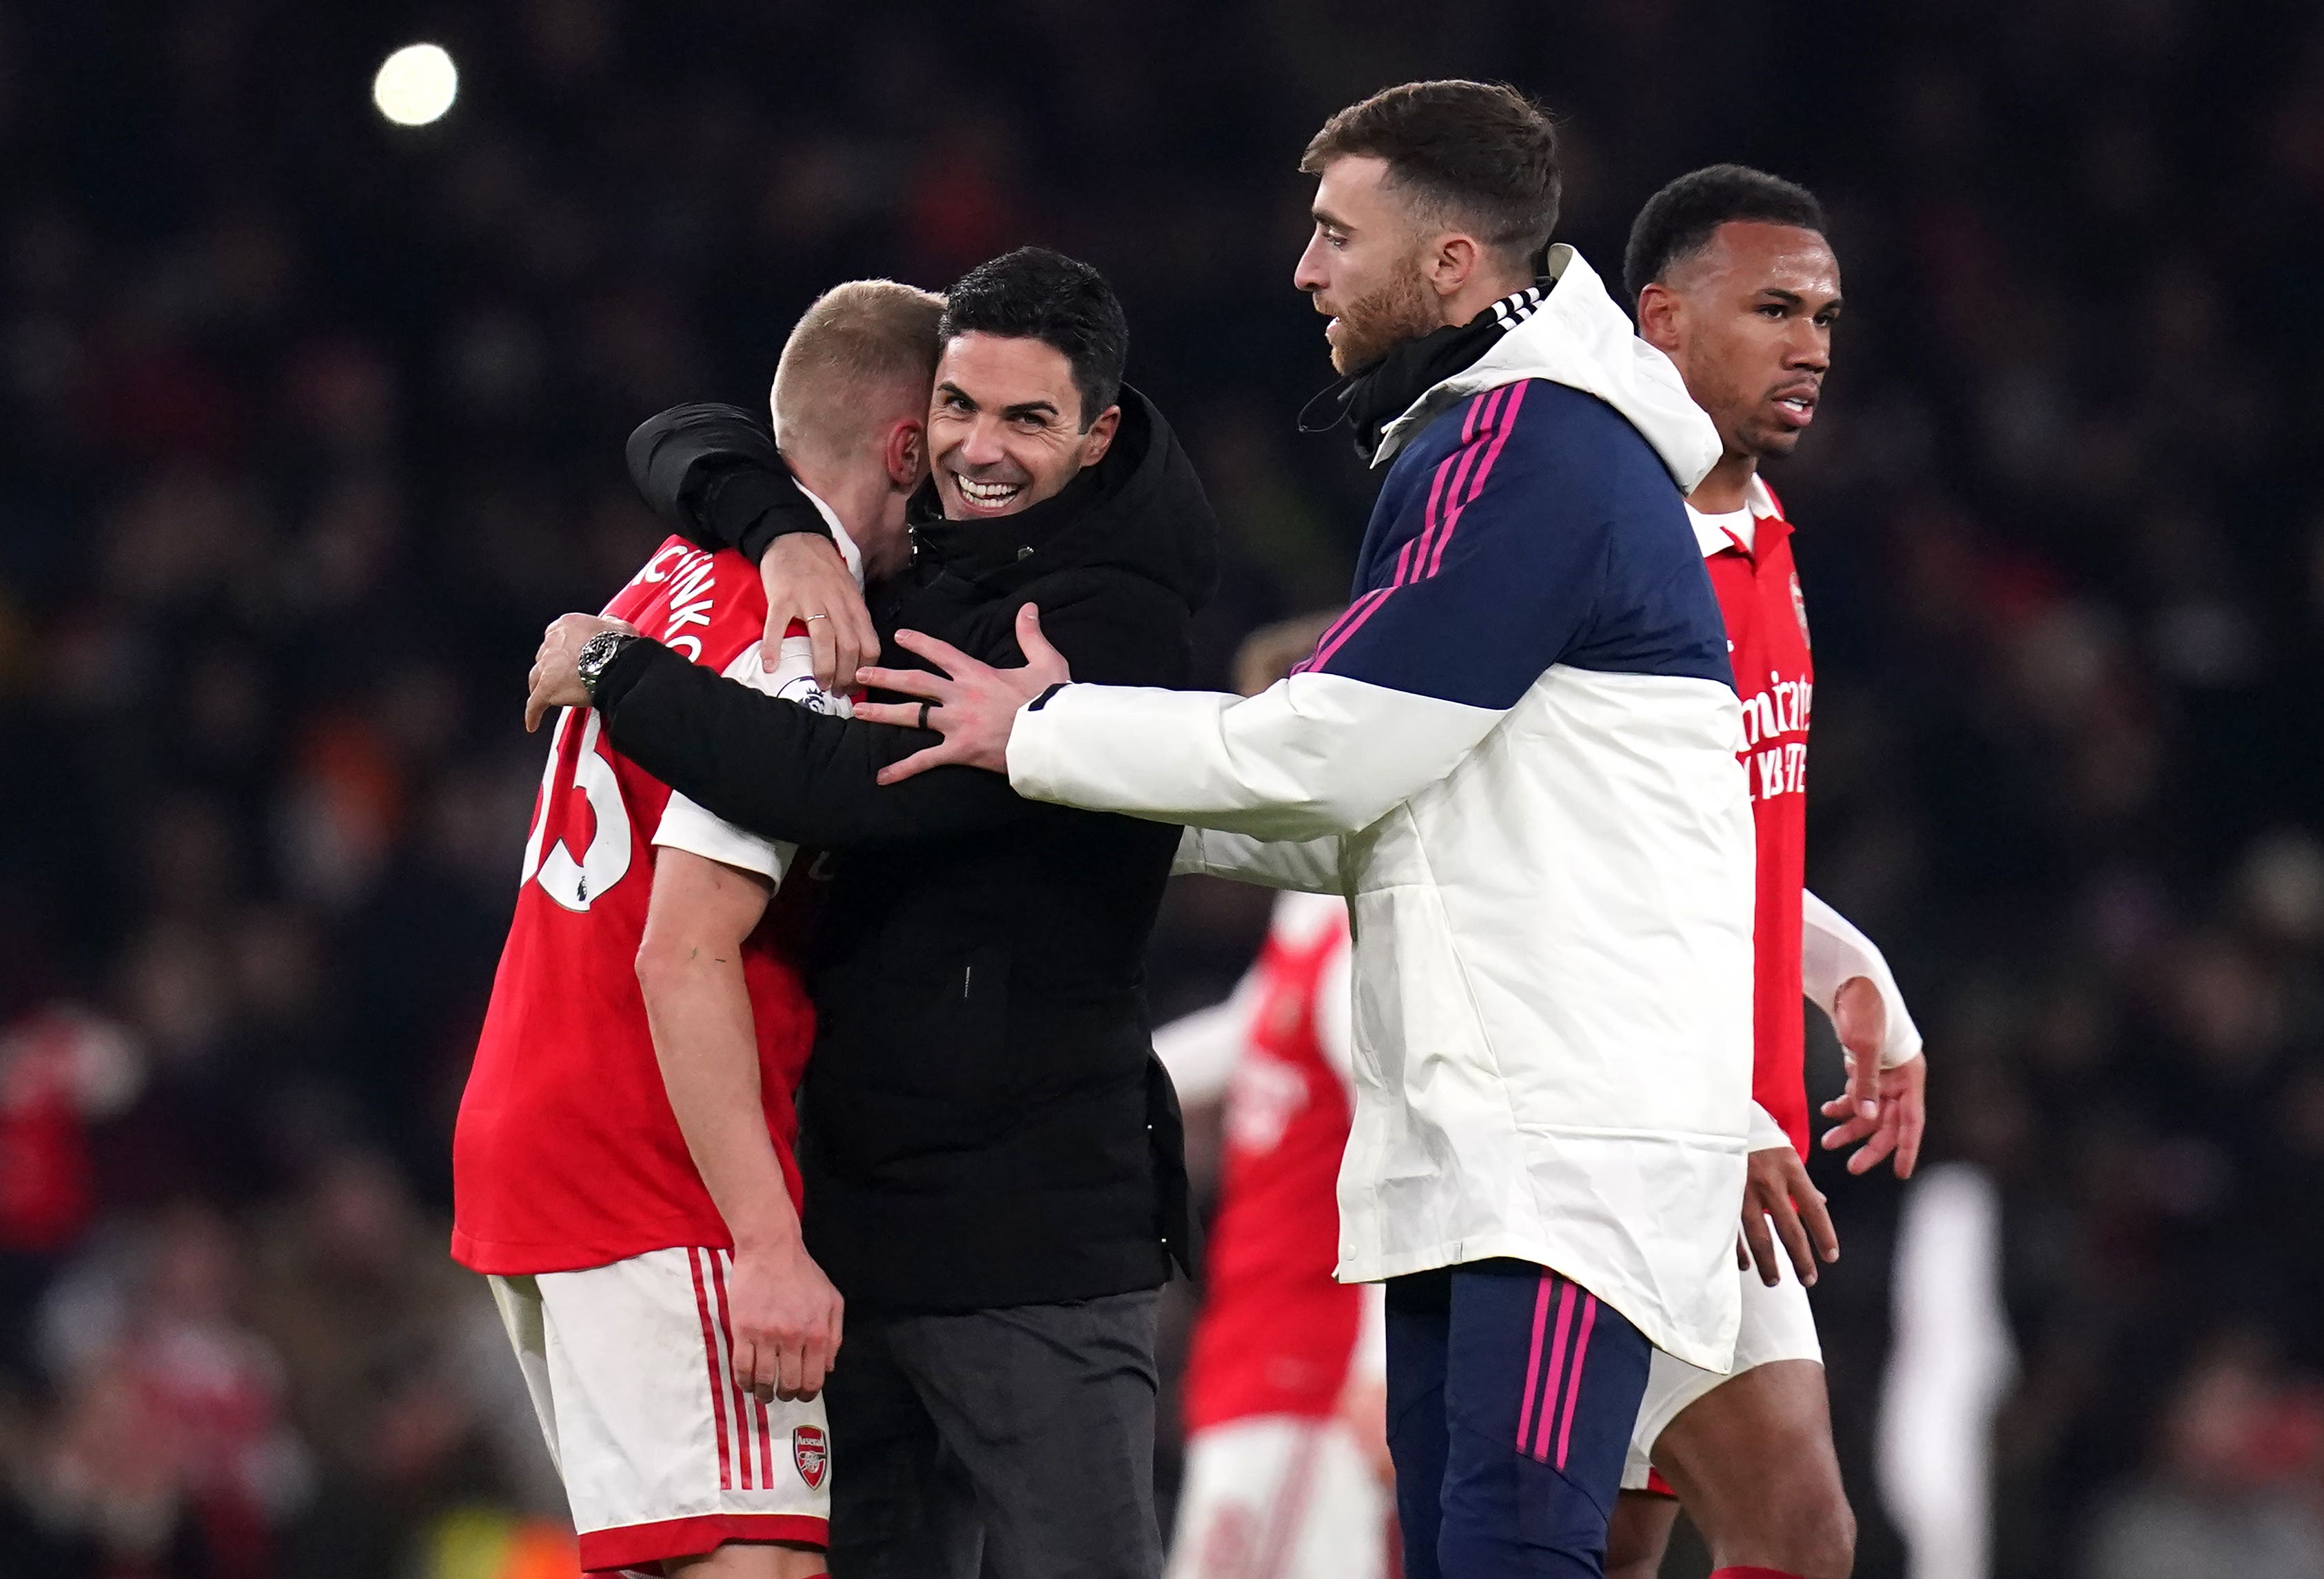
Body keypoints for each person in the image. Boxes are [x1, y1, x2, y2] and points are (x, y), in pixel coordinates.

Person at [846, 81, 1755, 1578]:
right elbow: (1370, 822)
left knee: (1515, 1550)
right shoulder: (1481, 444)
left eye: (1337, 233)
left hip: (1561, 1140)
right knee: (1462, 1550)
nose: (1304, 270)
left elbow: (1334, 759)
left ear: (1452, 265)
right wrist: (1047, 774)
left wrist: (1048, 734)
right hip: (1484, 1135)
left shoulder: (1532, 449)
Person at [524, 247, 1219, 1579]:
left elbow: (847, 786)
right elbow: (686, 432)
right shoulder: (909, 566)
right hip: (858, 1238)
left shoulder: (1104, 619)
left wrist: (615, 662)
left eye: (1028, 419)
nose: (980, 449)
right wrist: (782, 527)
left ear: (1099, 433)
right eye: (960, 408)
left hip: (1036, 1243)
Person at [453, 278, 943, 1578]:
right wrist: (769, 1247)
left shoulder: (668, 577)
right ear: (908, 449)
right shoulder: (805, 627)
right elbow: (684, 947)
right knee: (757, 1565)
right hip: (656, 1161)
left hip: (545, 1130)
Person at [1600, 166, 1929, 1579]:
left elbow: (1713, 841)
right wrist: (1709, 1102)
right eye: (1774, 310)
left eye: (1826, 317)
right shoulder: (1607, 541)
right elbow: (1583, 866)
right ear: (1660, 320)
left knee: (1617, 1553)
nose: (1811, 346)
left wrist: (1849, 973)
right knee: (1796, 1531)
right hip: (1620, 1136)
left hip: (1714, 1149)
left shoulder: (1763, 538)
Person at [1152, 614, 1395, 1579]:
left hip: (1313, 1367)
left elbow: (1397, 1143)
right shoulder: (1313, 913)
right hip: (1254, 1353)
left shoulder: (1370, 928)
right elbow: (1230, 1042)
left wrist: (1377, 1374)